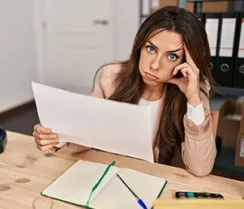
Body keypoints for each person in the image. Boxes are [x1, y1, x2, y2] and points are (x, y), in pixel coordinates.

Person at [33, 6, 217, 177]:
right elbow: (85, 129)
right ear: (139, 46)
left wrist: (193, 99)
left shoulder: (193, 93)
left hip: (157, 182)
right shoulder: (111, 76)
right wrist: (55, 137)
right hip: (108, 174)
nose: (154, 65)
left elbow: (200, 169)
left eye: (172, 56)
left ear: (186, 62)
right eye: (151, 48)